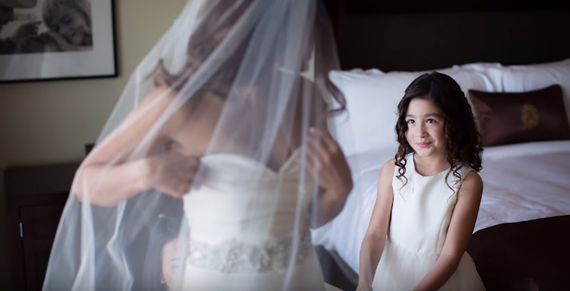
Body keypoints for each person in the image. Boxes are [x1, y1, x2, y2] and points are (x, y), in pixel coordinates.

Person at [42, 0, 352, 290]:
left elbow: (304, 218)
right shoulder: (181, 104)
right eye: (305, 26)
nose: (314, 41)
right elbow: (86, 181)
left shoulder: (306, 98)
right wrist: (146, 172)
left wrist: (339, 192)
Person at [356, 72, 486, 291]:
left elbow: (450, 255)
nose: (419, 133)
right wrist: (364, 282)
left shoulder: (468, 182)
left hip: (442, 280)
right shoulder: (392, 170)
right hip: (392, 273)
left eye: (430, 120)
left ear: (452, 122)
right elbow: (375, 233)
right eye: (411, 121)